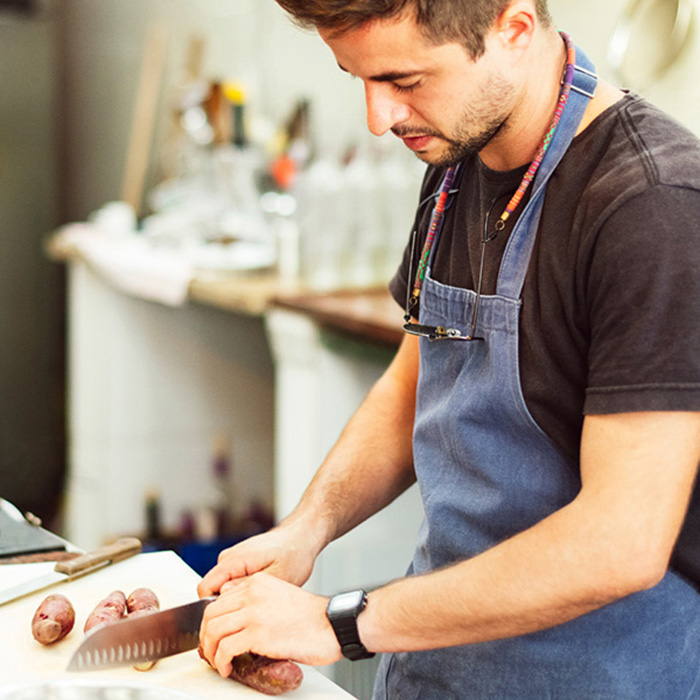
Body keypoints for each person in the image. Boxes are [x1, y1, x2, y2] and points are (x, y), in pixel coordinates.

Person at [198, 1, 700, 696]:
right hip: (439, 664)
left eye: (405, 81)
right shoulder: (457, 157)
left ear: (514, 30)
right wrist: (305, 531)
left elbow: (623, 542)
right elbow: (413, 390)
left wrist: (340, 625)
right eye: (359, 80)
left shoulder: (652, 206)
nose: (380, 119)